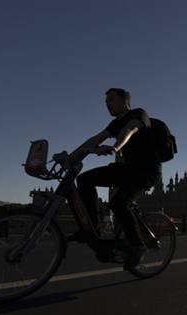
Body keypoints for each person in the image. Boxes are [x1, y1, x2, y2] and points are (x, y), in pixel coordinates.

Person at [68, 88, 159, 269]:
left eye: (111, 100)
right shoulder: (114, 124)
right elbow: (94, 140)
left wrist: (116, 147)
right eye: (106, 102)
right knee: (84, 179)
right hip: (127, 169)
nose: (107, 104)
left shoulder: (138, 114)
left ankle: (137, 246)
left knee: (119, 203)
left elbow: (130, 130)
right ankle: (92, 228)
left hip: (146, 172)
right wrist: (70, 158)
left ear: (125, 101)